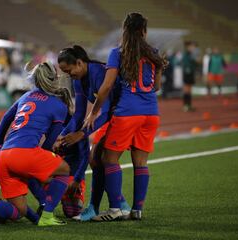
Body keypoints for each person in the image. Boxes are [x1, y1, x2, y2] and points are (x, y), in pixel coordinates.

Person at [0, 62, 74, 230]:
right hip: (24, 153)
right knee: (64, 169)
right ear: (55, 79)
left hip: (3, 157)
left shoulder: (25, 97)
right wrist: (44, 165)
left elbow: (4, 122)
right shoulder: (59, 106)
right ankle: (47, 214)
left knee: (18, 209)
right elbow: (48, 144)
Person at [84, 12, 165, 221]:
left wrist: (94, 112)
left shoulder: (118, 53)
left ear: (124, 30)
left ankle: (115, 209)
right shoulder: (154, 53)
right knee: (141, 162)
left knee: (108, 158)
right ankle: (137, 210)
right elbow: (156, 86)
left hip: (128, 113)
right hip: (151, 113)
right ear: (143, 31)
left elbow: (107, 85)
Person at [54, 45, 130, 221]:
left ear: (80, 63)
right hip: (112, 115)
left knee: (98, 159)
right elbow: (79, 114)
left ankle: (104, 208)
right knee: (96, 161)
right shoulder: (78, 80)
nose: (68, 75)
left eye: (69, 70)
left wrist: (81, 134)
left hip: (124, 114)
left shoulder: (98, 73)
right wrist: (62, 135)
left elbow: (105, 111)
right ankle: (119, 206)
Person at [182, 41, 197, 112]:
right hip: (187, 74)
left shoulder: (191, 54)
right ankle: (185, 105)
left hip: (191, 74)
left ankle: (189, 105)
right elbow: (185, 64)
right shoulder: (186, 54)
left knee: (190, 90)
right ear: (188, 47)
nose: (193, 48)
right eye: (192, 46)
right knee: (186, 90)